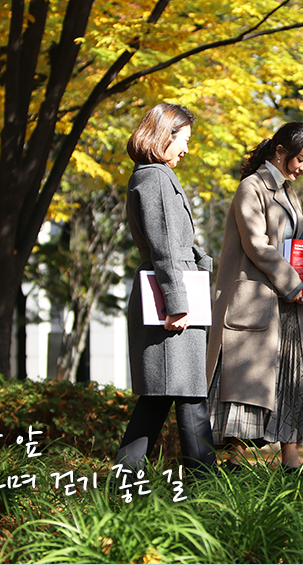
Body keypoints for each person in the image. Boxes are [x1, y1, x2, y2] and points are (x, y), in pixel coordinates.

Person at [206, 122, 303, 472]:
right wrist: (295, 285)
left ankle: (292, 468)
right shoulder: (252, 187)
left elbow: (301, 245)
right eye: (300, 159)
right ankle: (229, 468)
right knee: (243, 386)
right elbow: (257, 245)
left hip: (288, 303)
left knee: (292, 378)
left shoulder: (289, 194)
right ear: (279, 152)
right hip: (257, 303)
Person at [115, 103, 216, 478]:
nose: (186, 149)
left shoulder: (153, 176)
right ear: (164, 136)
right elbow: (166, 246)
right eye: (183, 140)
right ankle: (207, 492)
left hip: (171, 296)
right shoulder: (155, 177)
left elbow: (175, 244)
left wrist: (199, 263)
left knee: (160, 399)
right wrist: (178, 303)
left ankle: (122, 484)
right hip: (170, 303)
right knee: (187, 397)